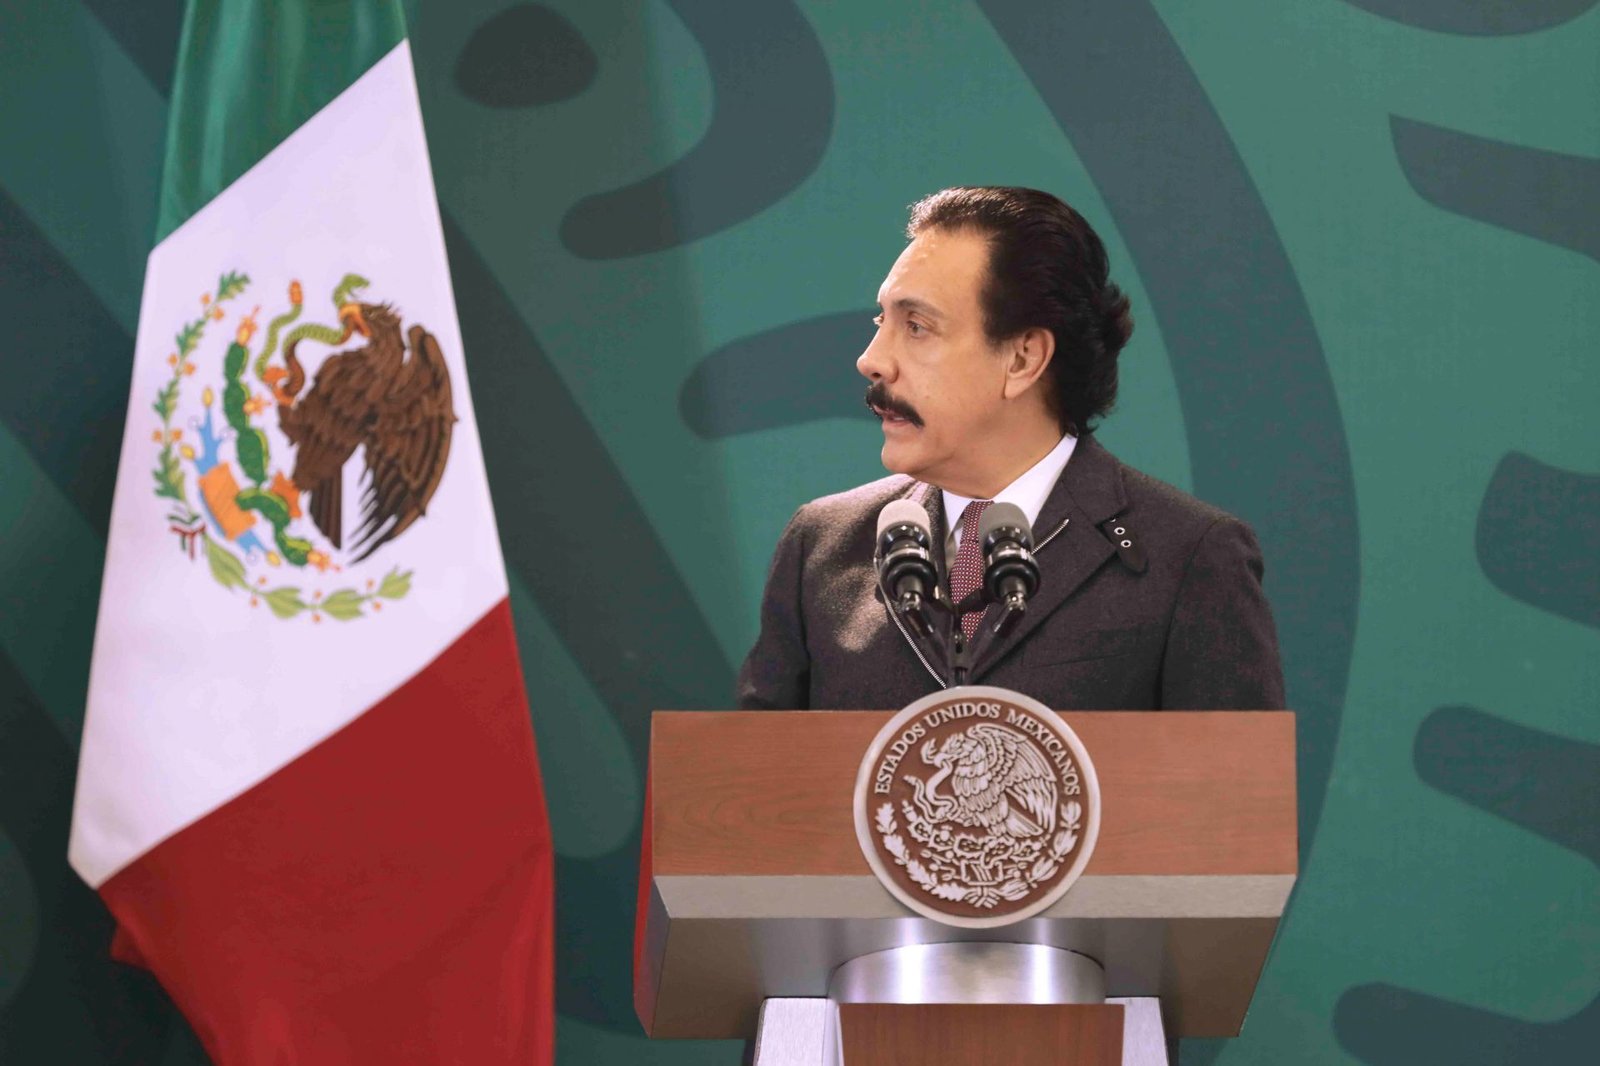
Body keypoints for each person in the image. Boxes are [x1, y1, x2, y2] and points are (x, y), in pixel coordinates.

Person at [737, 186, 1284, 711]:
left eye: (917, 326)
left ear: (1022, 359)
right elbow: (751, 767)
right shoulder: (822, 544)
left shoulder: (1188, 556)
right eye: (883, 320)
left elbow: (1231, 775)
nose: (872, 359)